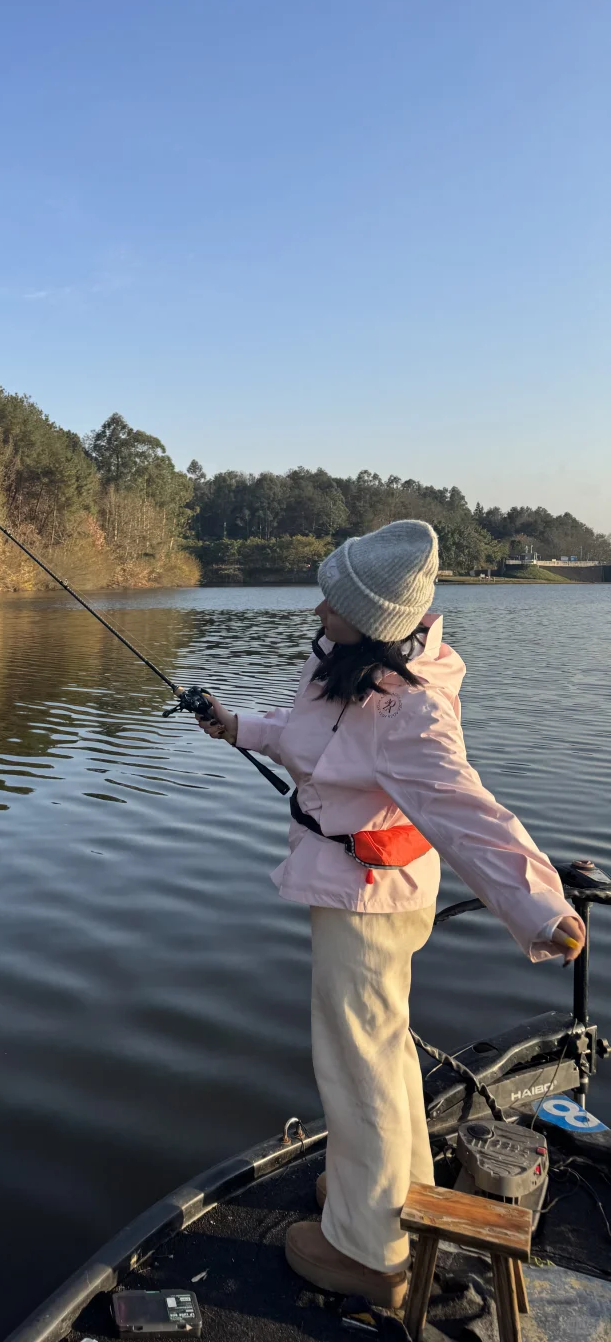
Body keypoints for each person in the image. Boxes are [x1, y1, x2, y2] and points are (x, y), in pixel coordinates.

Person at [198, 518, 585, 1310]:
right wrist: (237, 725)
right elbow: (310, 739)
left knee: (356, 1063)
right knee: (384, 1048)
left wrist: (542, 906)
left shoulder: (409, 710)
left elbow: (468, 811)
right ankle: (386, 1189)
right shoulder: (352, 667)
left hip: (366, 908)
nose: (317, 613)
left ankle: (366, 1249)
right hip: (365, 893)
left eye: (332, 604)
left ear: (371, 620)